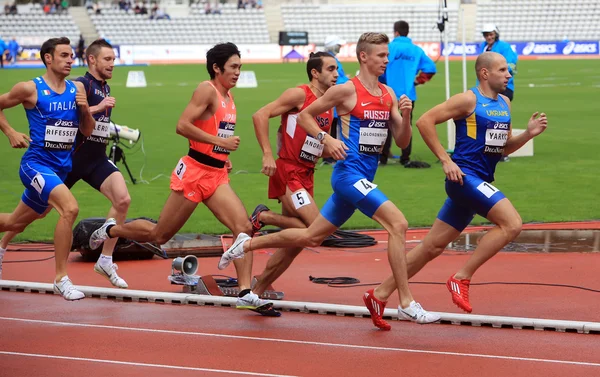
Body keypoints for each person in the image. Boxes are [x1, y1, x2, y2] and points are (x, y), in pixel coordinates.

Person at [219, 33, 440, 329]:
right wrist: (326, 139)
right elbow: (306, 116)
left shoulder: (387, 94)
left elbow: (401, 142)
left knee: (312, 236)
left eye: (387, 56)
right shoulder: (347, 91)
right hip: (347, 176)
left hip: (349, 176)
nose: (387, 60)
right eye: (381, 56)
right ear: (364, 57)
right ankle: (405, 303)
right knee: (397, 224)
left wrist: (405, 116)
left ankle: (245, 245)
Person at [88, 42, 278, 316]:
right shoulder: (207, 90)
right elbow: (182, 126)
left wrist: (222, 153)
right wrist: (218, 141)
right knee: (160, 235)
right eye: (233, 67)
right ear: (217, 68)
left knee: (243, 229)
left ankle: (246, 292)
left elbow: (212, 129)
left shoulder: (229, 97)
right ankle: (111, 230)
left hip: (216, 175)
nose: (238, 72)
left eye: (240, 67)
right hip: (194, 173)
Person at [371, 52, 547, 314]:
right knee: (511, 223)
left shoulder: (505, 104)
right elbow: (424, 121)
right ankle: (461, 277)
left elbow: (502, 150)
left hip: (478, 182)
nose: (509, 74)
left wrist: (528, 135)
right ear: (485, 73)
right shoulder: (468, 99)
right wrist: (445, 160)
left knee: (432, 247)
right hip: (463, 178)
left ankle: (379, 293)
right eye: (502, 70)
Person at [0, 39, 130, 288]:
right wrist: (10, 132)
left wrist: (86, 110)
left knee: (17, 222)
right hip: (53, 161)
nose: (71, 59)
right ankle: (57, 275)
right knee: (57, 211)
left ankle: (104, 258)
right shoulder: (56, 86)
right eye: (64, 55)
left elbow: (88, 126)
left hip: (79, 162)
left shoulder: (90, 89)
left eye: (71, 55)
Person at [248, 51, 337, 296]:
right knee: (317, 228)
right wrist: (267, 154)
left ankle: (258, 289)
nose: (336, 74)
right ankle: (265, 217)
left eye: (337, 69)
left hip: (307, 175)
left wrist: (334, 151)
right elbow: (260, 115)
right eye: (330, 69)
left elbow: (312, 143)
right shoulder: (300, 94)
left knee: (294, 243)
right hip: (288, 172)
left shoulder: (328, 103)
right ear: (315, 73)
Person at [379, 20, 436, 167]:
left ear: (396, 32)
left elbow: (380, 70)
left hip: (388, 93)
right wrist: (418, 81)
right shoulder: (416, 50)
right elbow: (431, 68)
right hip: (408, 94)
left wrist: (383, 82)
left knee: (385, 125)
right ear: (407, 32)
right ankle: (405, 158)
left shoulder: (389, 48)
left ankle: (383, 158)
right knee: (406, 125)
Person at [321, 35, 349, 165]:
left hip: (331, 98)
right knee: (332, 127)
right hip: (333, 98)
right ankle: (329, 155)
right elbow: (336, 79)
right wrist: (349, 81)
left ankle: (329, 155)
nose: (339, 47)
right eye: (338, 45)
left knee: (331, 126)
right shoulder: (332, 60)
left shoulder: (330, 59)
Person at [480, 24, 517, 101]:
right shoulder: (483, 47)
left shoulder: (504, 47)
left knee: (499, 112)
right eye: (486, 35)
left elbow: (510, 65)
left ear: (496, 34)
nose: (489, 37)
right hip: (486, 87)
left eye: (491, 34)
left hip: (503, 87)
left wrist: (493, 73)